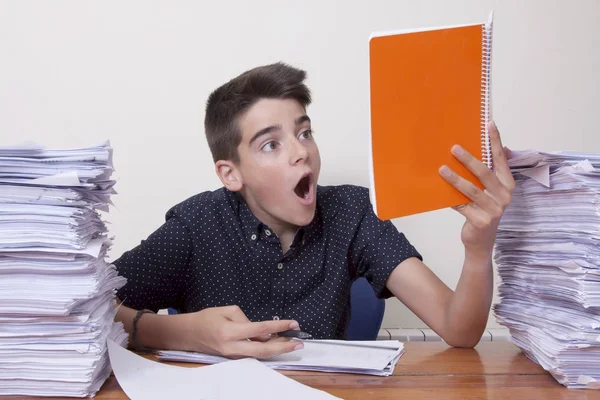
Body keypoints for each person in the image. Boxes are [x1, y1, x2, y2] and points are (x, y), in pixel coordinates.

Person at [113, 62, 515, 359]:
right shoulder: (196, 226)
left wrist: (479, 249)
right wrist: (178, 332)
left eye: (304, 133)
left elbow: (459, 328)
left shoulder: (352, 212)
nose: (301, 151)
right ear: (231, 174)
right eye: (271, 144)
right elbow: (84, 309)